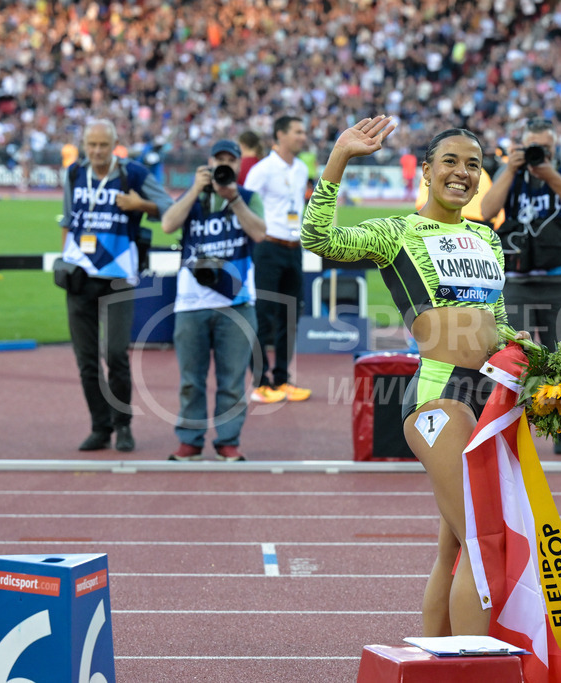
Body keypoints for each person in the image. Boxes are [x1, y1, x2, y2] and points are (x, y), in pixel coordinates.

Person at [301, 116, 525, 637]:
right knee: (482, 540)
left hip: (490, 400)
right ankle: (474, 667)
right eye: (450, 161)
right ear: (426, 171)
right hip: (438, 400)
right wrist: (339, 158)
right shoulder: (397, 231)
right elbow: (318, 237)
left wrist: (540, 365)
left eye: (473, 164)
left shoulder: (487, 239)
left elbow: (501, 324)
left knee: (454, 544)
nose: (462, 172)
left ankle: (438, 655)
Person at [480, 117, 561, 455]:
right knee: (515, 361)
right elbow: (487, 210)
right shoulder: (512, 171)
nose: (538, 153)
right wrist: (512, 170)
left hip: (560, 280)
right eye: (533, 147)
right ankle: (514, 428)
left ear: (554, 148)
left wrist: (550, 173)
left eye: (545, 148)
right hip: (518, 282)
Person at [59, 119, 174, 452]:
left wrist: (141, 206)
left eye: (103, 145)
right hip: (79, 277)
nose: (96, 151)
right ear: (83, 144)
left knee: (116, 354)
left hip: (119, 276)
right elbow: (67, 221)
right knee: (87, 360)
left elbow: (169, 207)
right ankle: (101, 426)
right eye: (91, 145)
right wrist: (64, 262)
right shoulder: (73, 174)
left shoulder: (133, 174)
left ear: (114, 145)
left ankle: (123, 424)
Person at [160, 139, 267, 463]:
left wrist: (233, 198)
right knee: (190, 380)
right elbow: (167, 224)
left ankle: (228, 441)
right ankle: (190, 441)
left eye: (229, 161)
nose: (224, 166)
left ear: (237, 165)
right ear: (208, 164)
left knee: (232, 380)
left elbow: (260, 233)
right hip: (191, 302)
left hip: (237, 301)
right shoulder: (193, 198)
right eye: (218, 160)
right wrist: (194, 190)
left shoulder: (248, 197)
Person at [244, 115, 312, 403]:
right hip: (268, 246)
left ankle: (283, 379)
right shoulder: (262, 170)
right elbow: (244, 206)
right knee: (264, 316)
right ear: (280, 135)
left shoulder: (300, 168)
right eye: (297, 132)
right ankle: (261, 382)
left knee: (290, 316)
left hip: (294, 247)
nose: (303, 136)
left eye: (303, 131)